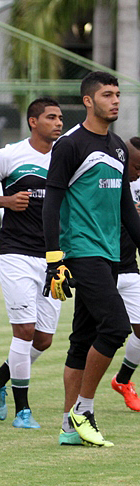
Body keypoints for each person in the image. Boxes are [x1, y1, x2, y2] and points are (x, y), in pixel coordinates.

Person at [43, 71, 140, 447]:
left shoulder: (118, 146)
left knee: (82, 339)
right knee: (115, 327)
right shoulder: (69, 145)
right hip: (80, 251)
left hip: (110, 254)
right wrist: (54, 259)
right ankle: (83, 410)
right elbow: (52, 202)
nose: (115, 100)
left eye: (117, 94)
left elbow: (126, 213)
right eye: (107, 95)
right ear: (88, 100)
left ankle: (69, 429)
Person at [0, 98, 64, 429]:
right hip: (15, 253)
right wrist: (6, 201)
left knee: (44, 339)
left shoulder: (65, 158)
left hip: (52, 258)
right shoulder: (8, 156)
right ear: (33, 121)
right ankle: (23, 411)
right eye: (51, 117)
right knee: (25, 332)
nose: (58, 123)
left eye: (59, 118)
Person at [111, 137, 140, 411]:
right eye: (136, 166)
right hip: (100, 266)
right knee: (94, 335)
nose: (138, 173)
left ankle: (123, 380)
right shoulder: (107, 179)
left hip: (129, 267)